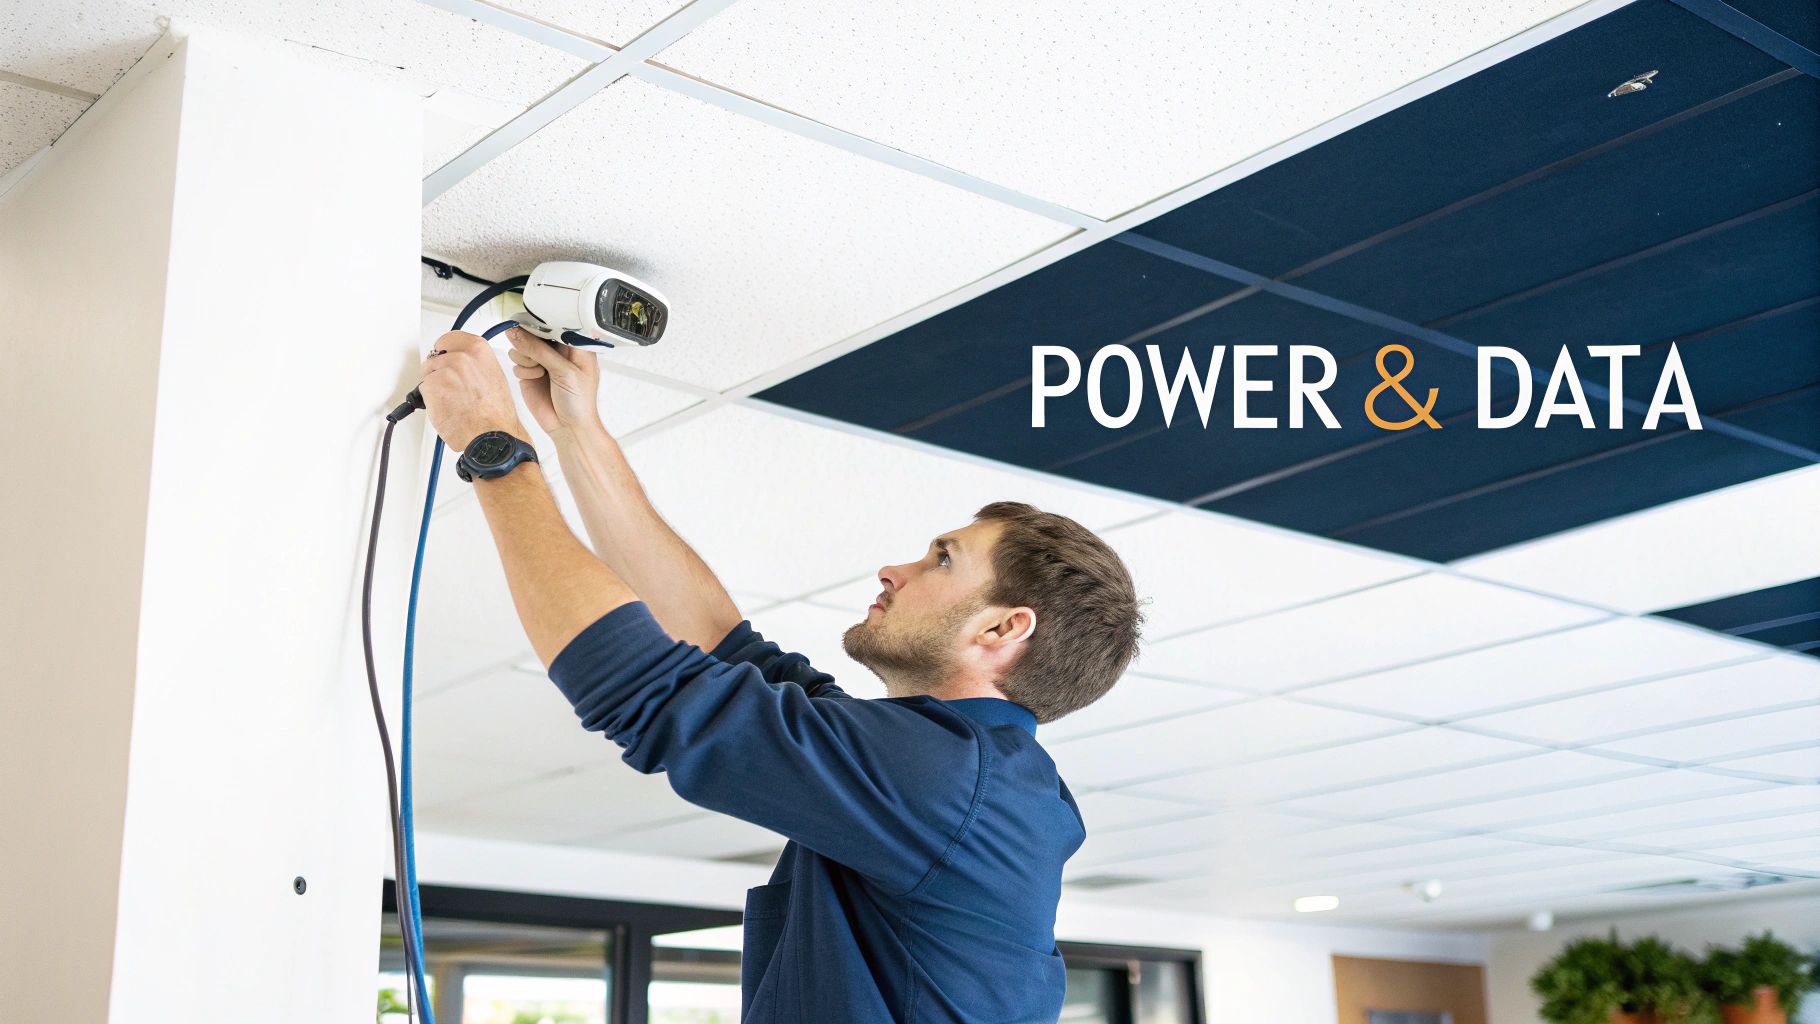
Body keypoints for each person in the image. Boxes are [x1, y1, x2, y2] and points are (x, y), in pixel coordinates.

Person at [415, 325, 1145, 1023]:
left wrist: (495, 447)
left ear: (1002, 628)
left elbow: (641, 687)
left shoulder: (952, 782)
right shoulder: (963, 774)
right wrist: (578, 430)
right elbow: (718, 646)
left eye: (942, 560)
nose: (896, 569)